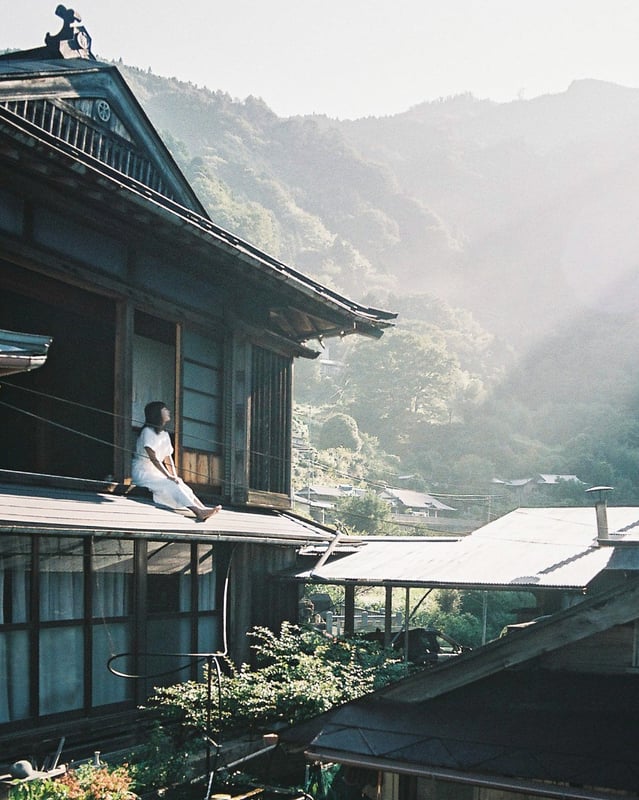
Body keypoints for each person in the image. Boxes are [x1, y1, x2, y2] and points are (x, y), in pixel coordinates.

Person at [132, 401, 221, 522]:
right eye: (165, 409)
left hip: (156, 472)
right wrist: (168, 476)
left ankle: (202, 508)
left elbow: (168, 459)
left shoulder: (164, 434)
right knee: (171, 484)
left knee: (180, 483)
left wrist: (174, 475)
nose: (168, 412)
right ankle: (198, 512)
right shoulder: (147, 431)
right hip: (143, 472)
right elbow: (154, 458)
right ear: (157, 413)